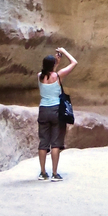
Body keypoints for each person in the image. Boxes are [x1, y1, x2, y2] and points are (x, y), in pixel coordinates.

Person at [37, 46, 77, 181]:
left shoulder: (39, 76)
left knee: (43, 143)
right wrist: (64, 52)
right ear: (53, 65)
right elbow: (74, 63)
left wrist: (55, 63)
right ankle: (54, 173)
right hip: (56, 110)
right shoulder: (58, 76)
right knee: (55, 143)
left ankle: (43, 173)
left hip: (43, 110)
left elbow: (48, 72)